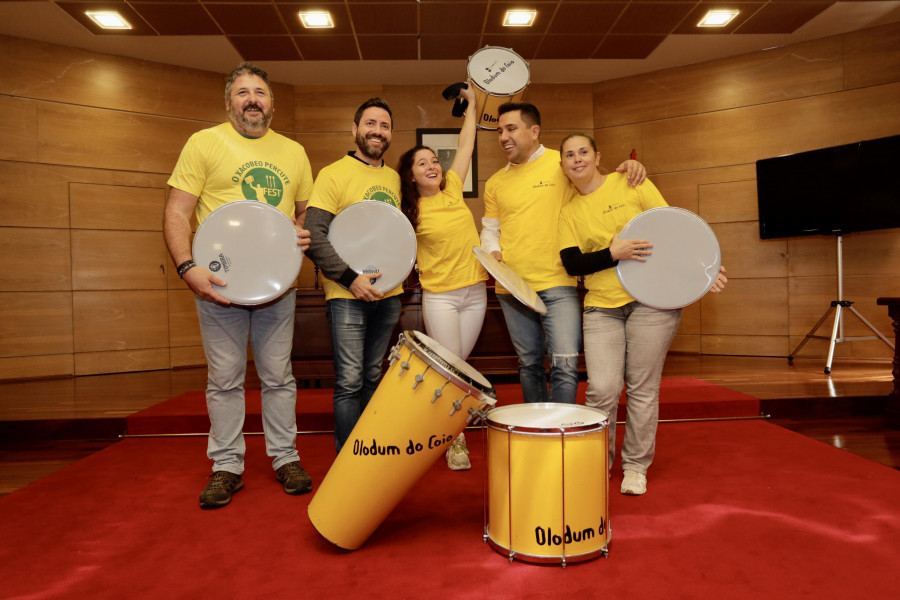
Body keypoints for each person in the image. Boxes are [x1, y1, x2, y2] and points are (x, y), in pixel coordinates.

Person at [163, 63, 314, 509]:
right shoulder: (204, 143)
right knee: (225, 380)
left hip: (276, 288)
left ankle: (285, 458)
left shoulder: (293, 152)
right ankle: (226, 466)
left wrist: (301, 231)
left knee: (279, 378)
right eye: (243, 92)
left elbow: (306, 213)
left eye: (261, 93)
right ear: (228, 102)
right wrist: (187, 267)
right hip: (220, 287)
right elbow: (176, 212)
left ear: (272, 103)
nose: (253, 99)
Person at [556, 132, 727, 496]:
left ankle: (636, 466)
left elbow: (672, 230)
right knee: (601, 389)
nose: (577, 159)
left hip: (653, 302)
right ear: (563, 166)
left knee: (642, 388)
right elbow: (572, 263)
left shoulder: (631, 181)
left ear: (597, 156)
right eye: (569, 155)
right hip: (602, 307)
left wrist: (702, 271)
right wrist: (611, 254)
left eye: (583, 151)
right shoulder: (569, 211)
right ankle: (596, 460)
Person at [480, 102, 646, 405]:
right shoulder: (495, 182)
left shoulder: (564, 162)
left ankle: (563, 432)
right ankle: (536, 431)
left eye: (511, 128)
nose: (503, 136)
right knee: (529, 365)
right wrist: (493, 250)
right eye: (500, 130)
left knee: (565, 365)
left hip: (559, 284)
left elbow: (602, 184)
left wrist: (629, 167)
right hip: (512, 289)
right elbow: (490, 228)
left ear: (534, 131)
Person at [304, 98, 403, 454]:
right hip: (347, 296)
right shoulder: (332, 174)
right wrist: (351, 278)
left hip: (389, 296)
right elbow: (314, 234)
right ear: (355, 129)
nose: (377, 131)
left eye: (385, 125)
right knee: (348, 381)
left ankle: (369, 452)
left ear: (390, 134)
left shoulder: (394, 178)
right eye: (370, 124)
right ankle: (348, 457)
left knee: (373, 376)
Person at [397, 82, 486, 470]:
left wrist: (473, 108)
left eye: (434, 160)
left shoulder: (451, 190)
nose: (433, 166)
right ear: (412, 176)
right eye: (423, 163)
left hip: (476, 292)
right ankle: (455, 441)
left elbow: (466, 146)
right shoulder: (410, 213)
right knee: (452, 370)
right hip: (442, 298)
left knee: (458, 369)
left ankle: (434, 421)